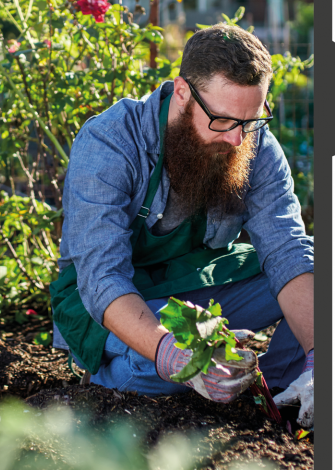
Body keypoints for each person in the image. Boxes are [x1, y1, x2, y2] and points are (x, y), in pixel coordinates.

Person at [50, 25, 314, 428]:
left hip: (199, 286)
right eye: (224, 121)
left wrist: (316, 353)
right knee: (182, 353)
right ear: (183, 94)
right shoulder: (110, 143)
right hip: (119, 301)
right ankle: (108, 380)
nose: (237, 140)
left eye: (252, 121)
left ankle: (277, 398)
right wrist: (169, 351)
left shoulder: (252, 144)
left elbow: (288, 250)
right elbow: (102, 277)